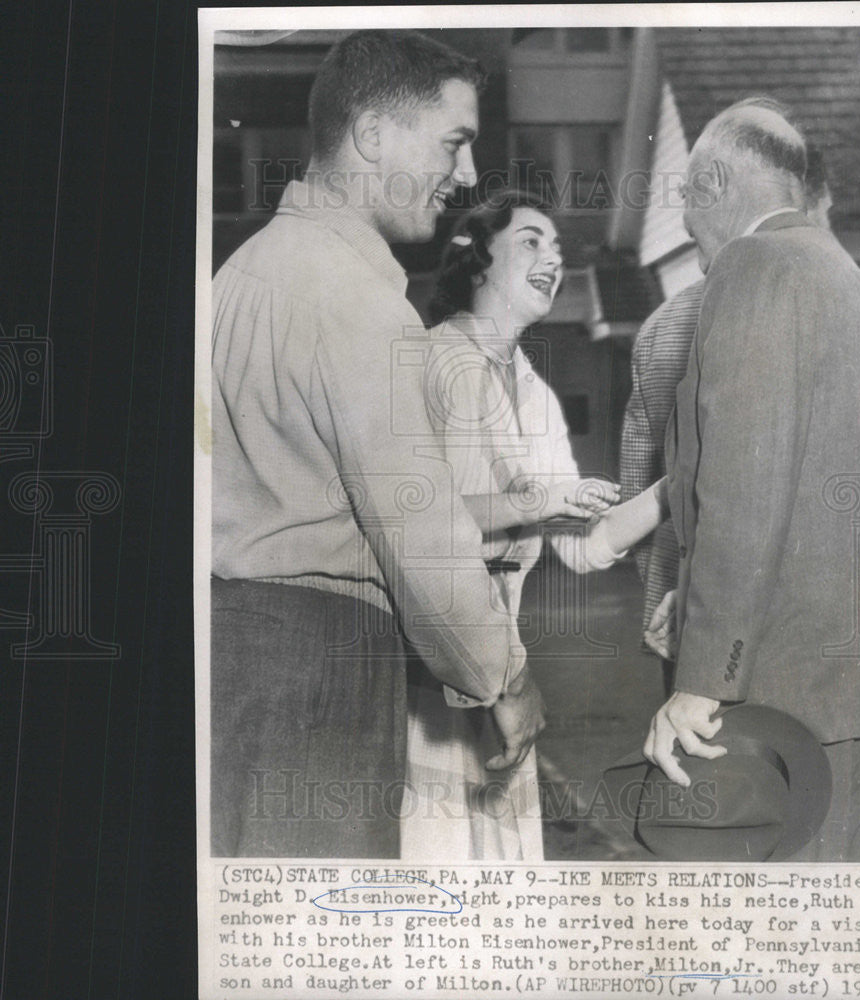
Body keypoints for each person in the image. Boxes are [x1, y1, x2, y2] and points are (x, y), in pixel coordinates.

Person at [211, 31, 545, 858]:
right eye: (454, 143)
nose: (466, 177)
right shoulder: (360, 303)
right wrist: (504, 679)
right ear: (371, 135)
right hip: (323, 667)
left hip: (226, 656)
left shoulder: (240, 278)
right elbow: (422, 537)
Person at [643, 102, 860, 862]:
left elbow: (744, 487)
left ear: (717, 183)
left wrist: (702, 676)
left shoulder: (754, 267)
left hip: (783, 701)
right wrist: (695, 602)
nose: (687, 226)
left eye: (688, 198)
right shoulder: (851, 281)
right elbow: (812, 490)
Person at [402, 190, 669, 860]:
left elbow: (581, 546)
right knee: (442, 878)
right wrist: (544, 498)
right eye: (530, 241)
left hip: (499, 672)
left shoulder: (534, 390)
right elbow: (426, 525)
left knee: (504, 884)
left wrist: (678, 484)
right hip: (430, 676)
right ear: (479, 260)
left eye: (557, 246)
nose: (553, 256)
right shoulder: (440, 361)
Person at [621, 129, 834, 695]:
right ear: (807, 201)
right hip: (799, 635)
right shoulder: (824, 299)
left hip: (692, 625)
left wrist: (675, 604)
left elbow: (636, 489)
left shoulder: (661, 327)